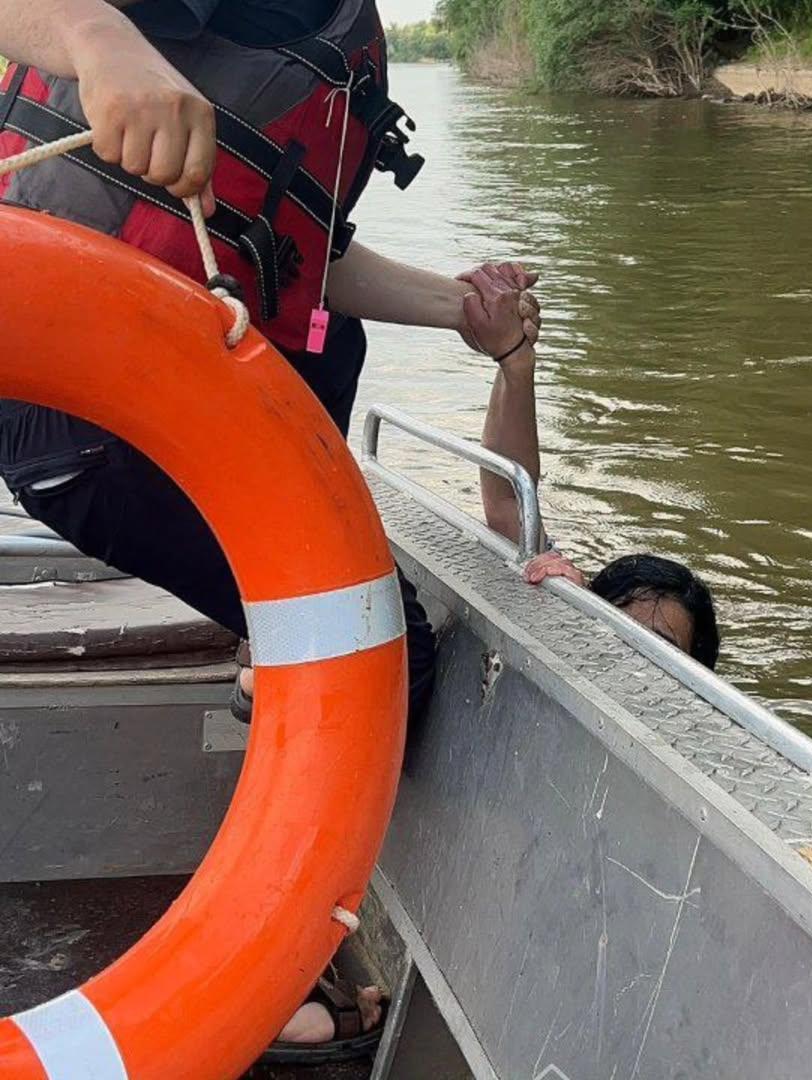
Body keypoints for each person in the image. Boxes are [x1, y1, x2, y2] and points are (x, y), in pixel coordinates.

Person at [0, 0, 537, 1065]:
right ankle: (266, 964)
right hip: (79, 401)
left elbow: (300, 260)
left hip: (179, 400)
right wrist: (103, 43)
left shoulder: (329, 37)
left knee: (330, 350)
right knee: (397, 665)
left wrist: (465, 312)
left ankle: (272, 667)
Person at [462, 263, 721, 670]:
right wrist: (515, 361)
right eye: (615, 627)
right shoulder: (567, 650)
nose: (627, 652)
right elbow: (508, 503)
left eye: (656, 648)